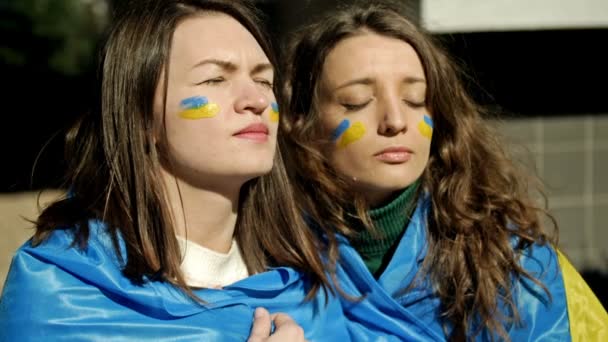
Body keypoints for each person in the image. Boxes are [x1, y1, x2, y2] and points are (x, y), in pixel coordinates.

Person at [0, 1, 353, 340]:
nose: (257, 100)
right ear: (140, 118)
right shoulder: (62, 295)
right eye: (215, 79)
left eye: (264, 80)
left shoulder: (310, 289)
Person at [282, 2, 608, 341]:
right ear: (301, 123)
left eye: (415, 98)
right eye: (357, 101)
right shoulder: (266, 255)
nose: (395, 120)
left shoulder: (514, 262)